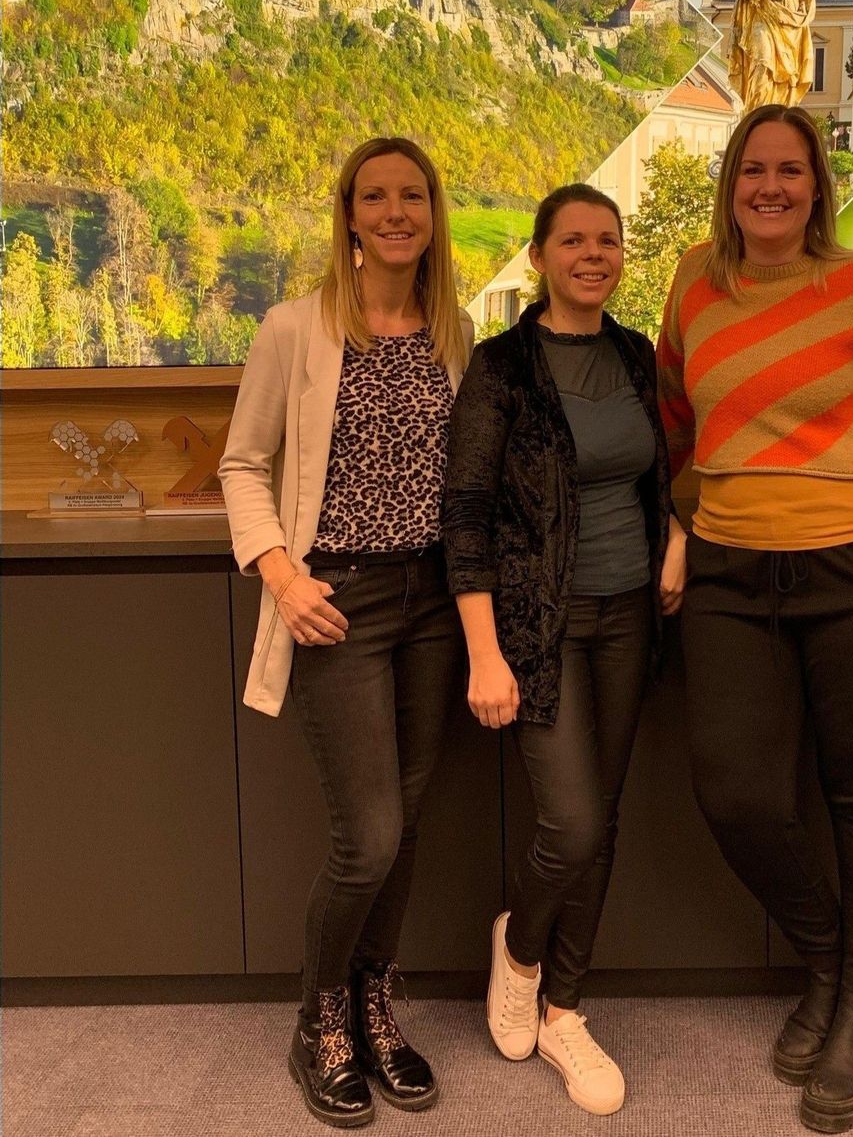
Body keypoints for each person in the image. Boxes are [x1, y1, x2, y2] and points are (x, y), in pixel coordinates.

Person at [656, 105, 853, 1133]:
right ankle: (831, 963)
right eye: (754, 171)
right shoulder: (694, 281)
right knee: (736, 790)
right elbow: (672, 417)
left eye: (791, 171)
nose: (772, 188)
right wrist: (669, 525)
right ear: (730, 182)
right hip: (733, 574)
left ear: (817, 187)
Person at [220, 137, 473, 1129]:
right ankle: (319, 1015)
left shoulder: (456, 333)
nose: (396, 210)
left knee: (404, 829)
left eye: (413, 195)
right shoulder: (296, 328)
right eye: (377, 196)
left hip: (435, 612)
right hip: (339, 608)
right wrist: (281, 575)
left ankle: (374, 1004)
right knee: (365, 835)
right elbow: (244, 464)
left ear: (432, 212)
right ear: (350, 214)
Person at [443, 183, 685, 1117]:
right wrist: (483, 651)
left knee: (607, 820)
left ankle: (565, 1013)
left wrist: (677, 536)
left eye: (609, 241)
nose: (595, 254)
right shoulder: (503, 368)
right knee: (573, 823)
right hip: (538, 630)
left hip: (631, 615)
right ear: (540, 255)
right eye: (575, 240)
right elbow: (463, 515)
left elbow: (661, 469)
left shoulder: (634, 355)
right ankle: (520, 949)